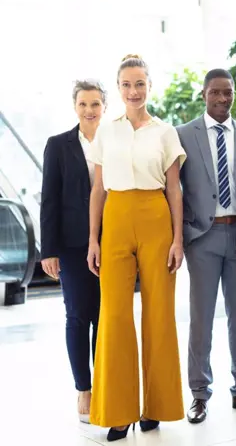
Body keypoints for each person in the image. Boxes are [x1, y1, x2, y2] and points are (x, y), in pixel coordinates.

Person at [86, 54, 186, 441]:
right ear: (118, 87)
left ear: (149, 86)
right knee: (113, 316)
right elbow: (98, 188)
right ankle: (118, 412)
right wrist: (93, 238)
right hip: (116, 215)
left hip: (155, 215)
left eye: (140, 83)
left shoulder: (165, 132)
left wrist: (177, 239)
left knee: (159, 314)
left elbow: (173, 188)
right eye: (127, 84)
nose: (133, 91)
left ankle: (156, 408)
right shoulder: (106, 132)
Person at [177, 68, 236, 425]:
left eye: (228, 92)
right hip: (201, 238)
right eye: (216, 92)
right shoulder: (183, 135)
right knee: (201, 318)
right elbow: (174, 189)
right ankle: (200, 394)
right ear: (204, 94)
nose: (222, 99)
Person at [40, 79, 107, 423]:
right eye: (83, 104)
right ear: (75, 106)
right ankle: (84, 388)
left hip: (113, 242)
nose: (89, 110)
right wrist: (48, 250)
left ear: (104, 107)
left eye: (95, 104)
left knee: (106, 318)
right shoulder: (58, 145)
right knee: (78, 315)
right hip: (70, 245)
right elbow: (49, 198)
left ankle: (108, 386)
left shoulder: (115, 141)